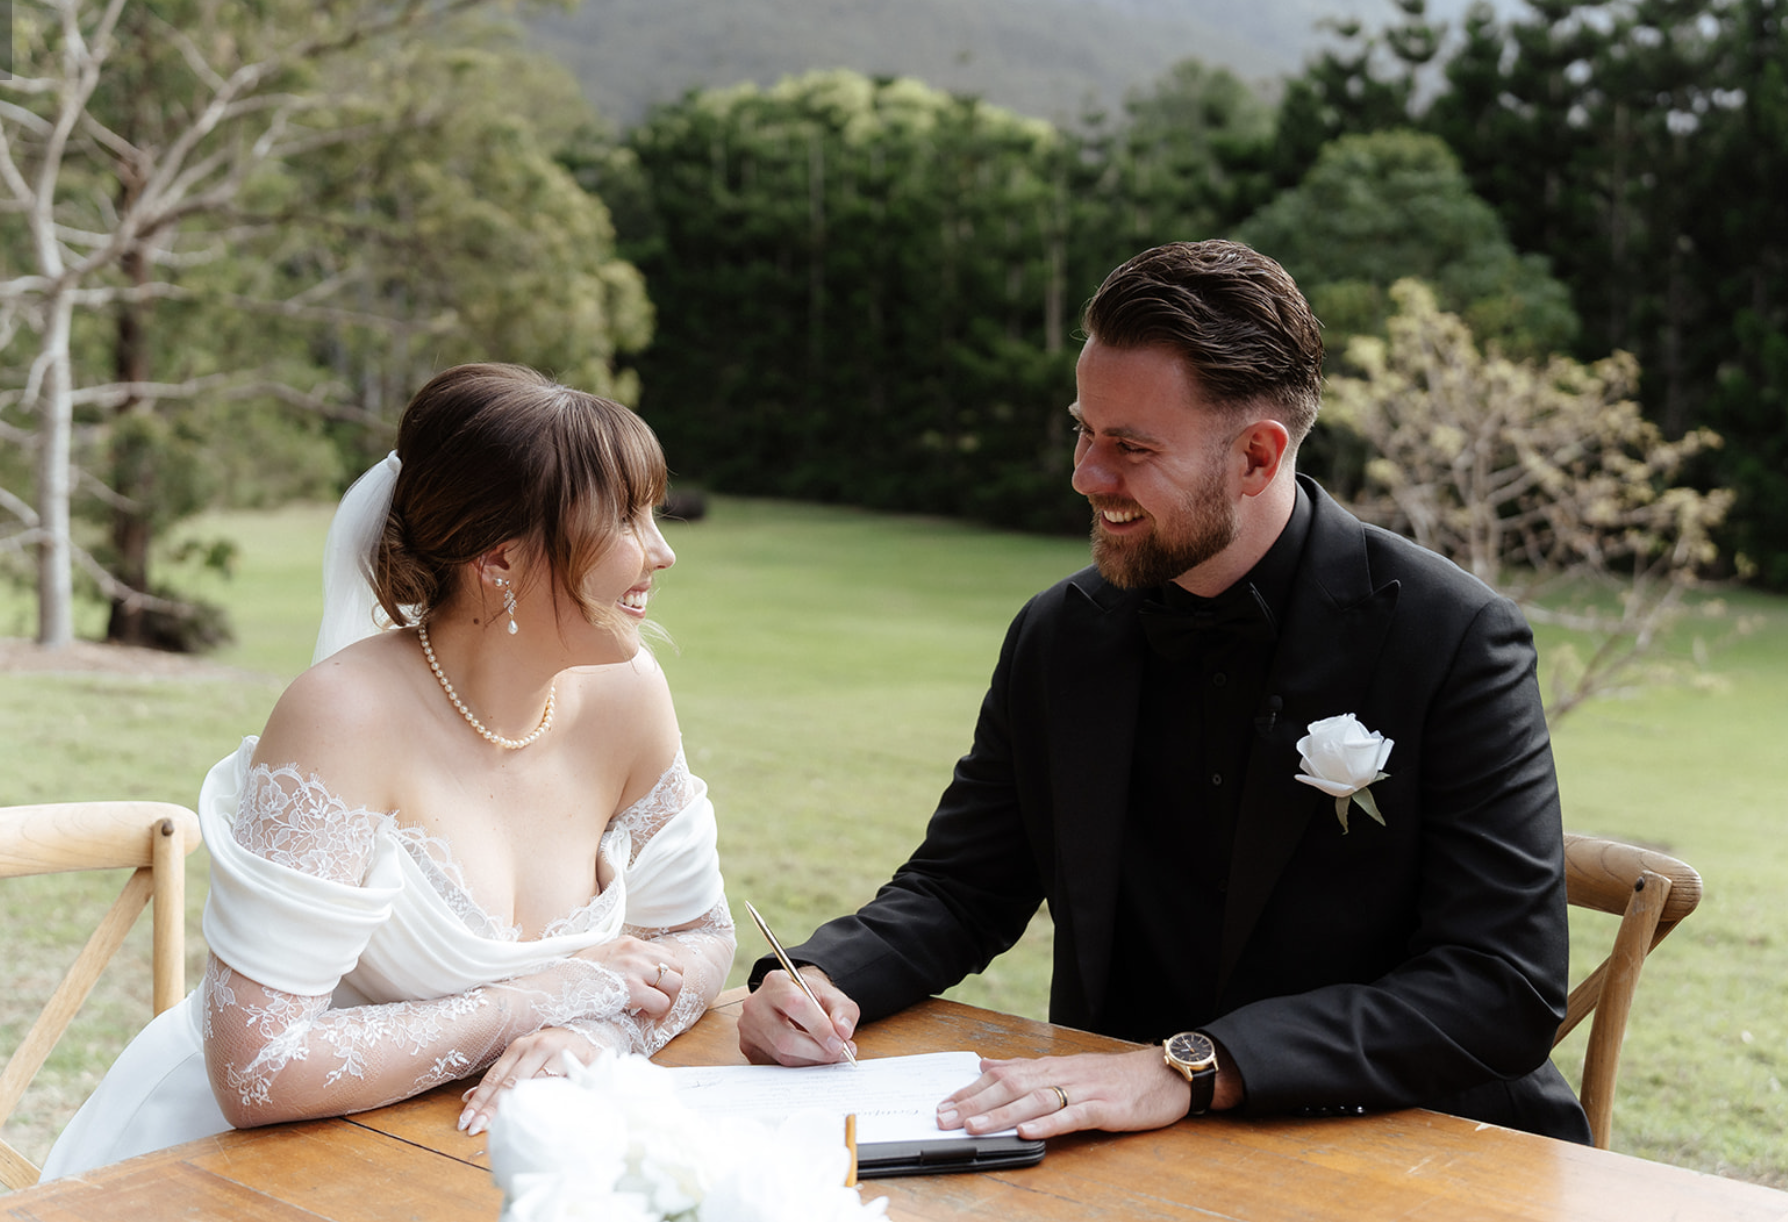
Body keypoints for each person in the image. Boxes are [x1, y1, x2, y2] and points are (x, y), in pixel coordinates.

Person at [737, 241, 1591, 1145]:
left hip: (1415, 1148)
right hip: (1125, 1151)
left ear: (1257, 457)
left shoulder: (1454, 638)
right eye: (1084, 431)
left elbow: (1501, 985)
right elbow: (962, 886)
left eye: (1131, 447)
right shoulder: (1059, 634)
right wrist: (824, 977)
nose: (1085, 474)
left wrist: (1193, 1065)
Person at [42, 363, 734, 1178]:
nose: (663, 552)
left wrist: (597, 1031)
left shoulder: (629, 694)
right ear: (500, 558)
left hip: (461, 1154)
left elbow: (700, 935)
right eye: (623, 518)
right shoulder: (341, 718)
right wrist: (550, 995)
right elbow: (257, 1069)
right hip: (235, 1166)